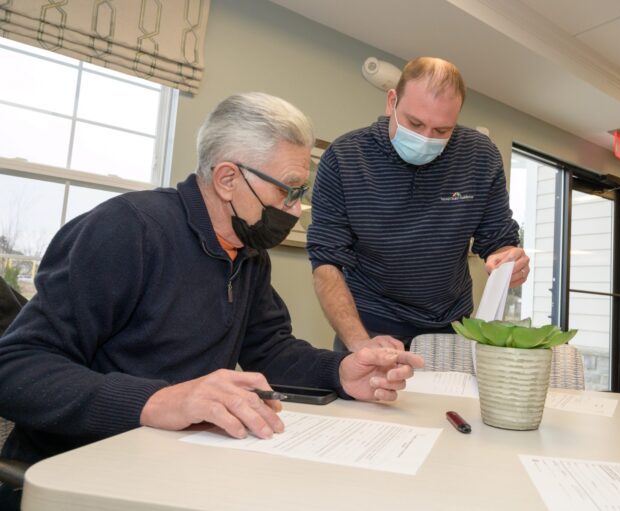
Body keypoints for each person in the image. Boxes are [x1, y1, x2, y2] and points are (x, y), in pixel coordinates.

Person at [0, 92, 423, 509]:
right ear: (227, 179)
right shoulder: (127, 230)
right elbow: (17, 367)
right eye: (288, 191)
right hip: (80, 472)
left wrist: (341, 372)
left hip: (175, 466)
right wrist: (157, 400)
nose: (296, 210)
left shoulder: (247, 252)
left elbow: (271, 348)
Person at [307, 57, 529, 353]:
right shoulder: (345, 159)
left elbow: (498, 240)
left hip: (452, 327)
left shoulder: (480, 157)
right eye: (415, 123)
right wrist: (360, 343)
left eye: (441, 131)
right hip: (370, 325)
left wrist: (508, 260)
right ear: (391, 102)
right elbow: (326, 262)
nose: (426, 139)